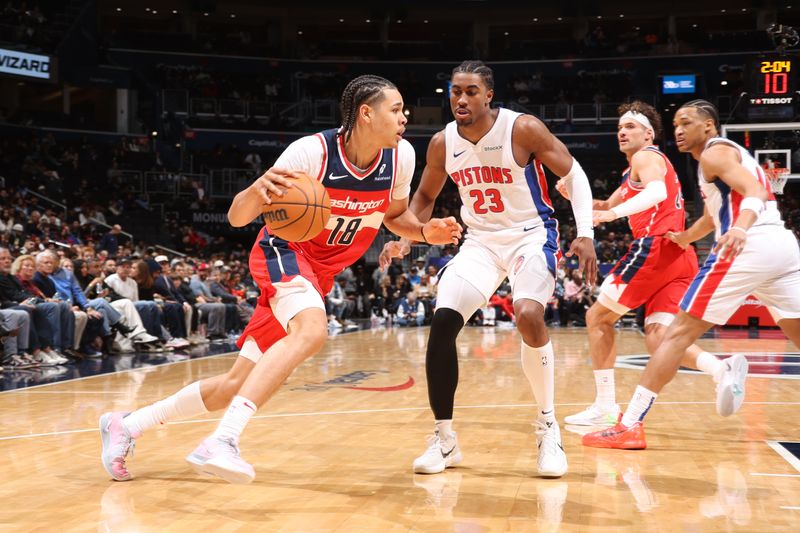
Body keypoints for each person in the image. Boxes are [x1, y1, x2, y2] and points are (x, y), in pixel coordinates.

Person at [99, 75, 462, 484]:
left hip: (321, 273)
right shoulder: (311, 153)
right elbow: (238, 216)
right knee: (312, 330)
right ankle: (223, 441)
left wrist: (425, 232)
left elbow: (396, 217)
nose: (404, 117)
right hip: (285, 253)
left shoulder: (401, 157)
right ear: (366, 113)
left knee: (235, 385)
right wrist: (255, 191)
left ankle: (126, 425)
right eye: (395, 109)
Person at [380, 60, 596, 478]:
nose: (461, 99)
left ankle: (548, 426)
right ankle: (445, 439)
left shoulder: (522, 128)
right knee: (442, 323)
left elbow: (575, 172)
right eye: (455, 91)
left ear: (489, 95)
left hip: (530, 235)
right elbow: (423, 199)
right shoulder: (443, 143)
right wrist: (407, 237)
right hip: (479, 242)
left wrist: (584, 231)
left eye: (471, 91)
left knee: (530, 314)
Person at [583, 99, 800, 449]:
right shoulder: (717, 161)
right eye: (676, 124)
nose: (680, 130)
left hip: (747, 247)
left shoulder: (713, 153)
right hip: (783, 249)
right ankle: (715, 372)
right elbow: (712, 217)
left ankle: (629, 424)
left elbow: (757, 192)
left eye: (687, 122)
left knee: (673, 336)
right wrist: (685, 238)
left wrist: (741, 228)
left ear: (709, 126)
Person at [562, 101, 746, 426]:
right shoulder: (634, 169)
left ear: (649, 134)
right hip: (680, 254)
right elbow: (604, 203)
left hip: (654, 248)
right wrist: (575, 198)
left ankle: (605, 406)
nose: (622, 131)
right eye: (619, 127)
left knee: (597, 318)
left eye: (630, 126)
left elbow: (657, 193)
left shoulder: (647, 157)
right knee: (659, 336)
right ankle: (721, 369)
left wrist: (612, 214)